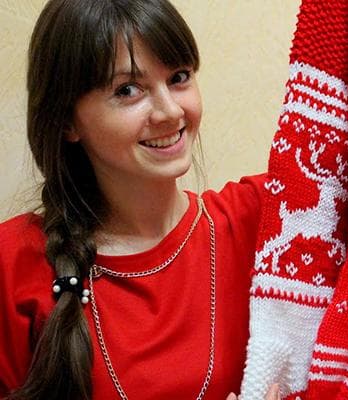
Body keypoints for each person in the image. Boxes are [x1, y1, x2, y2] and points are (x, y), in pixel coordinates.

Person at [0, 0, 278, 399]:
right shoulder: (11, 262)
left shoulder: (261, 216)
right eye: (128, 90)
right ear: (67, 121)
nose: (169, 111)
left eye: (179, 77)